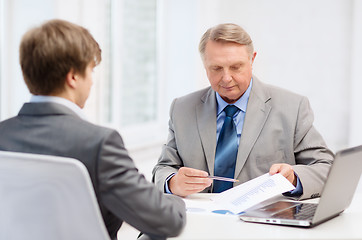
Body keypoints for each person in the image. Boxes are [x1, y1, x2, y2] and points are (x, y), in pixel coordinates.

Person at [0, 19, 185, 240]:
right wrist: (176, 199)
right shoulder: (99, 144)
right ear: (73, 77)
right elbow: (167, 221)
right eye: (90, 70)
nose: (91, 82)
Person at [152, 23, 334, 200]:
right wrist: (173, 182)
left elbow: (326, 168)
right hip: (199, 222)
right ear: (205, 66)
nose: (226, 78)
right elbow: (163, 168)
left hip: (264, 223)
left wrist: (293, 177)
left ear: (252, 60)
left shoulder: (292, 107)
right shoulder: (182, 109)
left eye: (235, 67)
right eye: (216, 68)